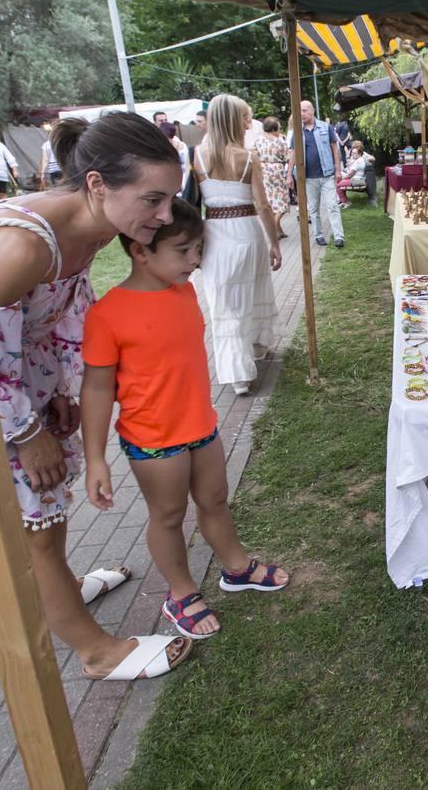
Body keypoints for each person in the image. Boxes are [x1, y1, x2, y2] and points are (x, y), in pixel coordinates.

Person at [0, 113, 195, 680]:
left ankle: (63, 589)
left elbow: (62, 309)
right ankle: (95, 651)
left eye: (170, 199)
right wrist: (25, 434)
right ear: (97, 185)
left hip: (15, 375)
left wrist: (61, 389)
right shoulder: (21, 245)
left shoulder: (94, 224)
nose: (165, 216)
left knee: (48, 503)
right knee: (33, 523)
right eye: (153, 200)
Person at [81, 199, 289, 641]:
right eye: (183, 251)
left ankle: (236, 568)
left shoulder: (185, 291)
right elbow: (97, 389)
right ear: (140, 250)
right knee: (169, 515)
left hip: (201, 426)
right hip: (154, 440)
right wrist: (95, 458)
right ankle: (181, 593)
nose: (195, 260)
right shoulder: (107, 314)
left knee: (215, 499)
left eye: (198, 249)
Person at [190, 93, 282, 395]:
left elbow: (195, 201)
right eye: (245, 117)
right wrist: (275, 244)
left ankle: (237, 374)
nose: (248, 123)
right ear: (232, 120)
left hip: (215, 234)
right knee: (254, 290)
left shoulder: (198, 156)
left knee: (224, 303)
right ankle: (255, 347)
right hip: (246, 232)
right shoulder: (247, 158)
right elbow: (264, 206)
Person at [297, 100, 344, 248]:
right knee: (314, 209)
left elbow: (335, 150)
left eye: (304, 110)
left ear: (312, 111)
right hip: (309, 178)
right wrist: (289, 175)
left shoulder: (325, 127)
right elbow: (293, 153)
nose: (302, 114)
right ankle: (318, 235)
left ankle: (338, 237)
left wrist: (338, 170)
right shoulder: (298, 131)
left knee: (333, 206)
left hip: (327, 175)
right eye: (300, 111)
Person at [253, 116, 294, 235]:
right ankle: (274, 227)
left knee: (271, 199)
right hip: (277, 170)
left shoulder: (259, 139)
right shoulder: (280, 140)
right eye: (279, 128)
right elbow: (287, 157)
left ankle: (279, 230)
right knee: (282, 201)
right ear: (274, 129)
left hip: (263, 170)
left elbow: (254, 153)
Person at [159, 122, 190, 188]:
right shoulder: (158, 146)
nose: (170, 140)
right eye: (167, 137)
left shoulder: (182, 146)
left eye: (171, 137)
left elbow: (186, 165)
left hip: (182, 179)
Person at [37, 122, 64, 188]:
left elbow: (45, 159)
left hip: (52, 170)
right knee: (65, 187)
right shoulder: (61, 142)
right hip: (62, 168)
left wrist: (42, 173)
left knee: (56, 188)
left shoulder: (46, 145)